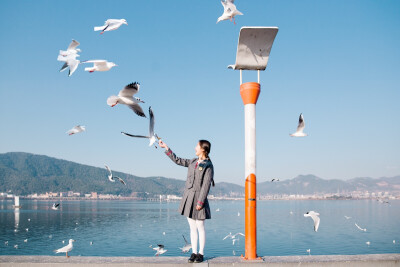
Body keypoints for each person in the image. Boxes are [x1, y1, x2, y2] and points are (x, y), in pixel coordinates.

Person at [159, 139, 214, 263]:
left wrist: (200, 202)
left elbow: (206, 185)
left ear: (203, 149)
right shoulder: (193, 161)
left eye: (197, 146)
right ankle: (193, 252)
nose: (195, 148)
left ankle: (201, 253)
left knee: (200, 226)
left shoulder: (208, 165)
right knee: (192, 227)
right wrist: (167, 148)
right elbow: (178, 160)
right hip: (189, 197)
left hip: (200, 198)